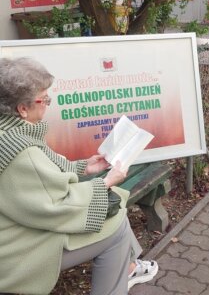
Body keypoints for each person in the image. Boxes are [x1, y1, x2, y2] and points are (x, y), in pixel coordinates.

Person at [0, 57, 158, 295]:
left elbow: (42, 174)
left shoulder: (8, 130)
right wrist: (105, 182)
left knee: (114, 209)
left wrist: (83, 167)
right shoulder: (21, 151)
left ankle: (130, 267)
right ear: (22, 108)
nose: (48, 104)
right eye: (45, 99)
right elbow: (58, 205)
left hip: (14, 224)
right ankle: (124, 273)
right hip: (14, 250)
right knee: (116, 224)